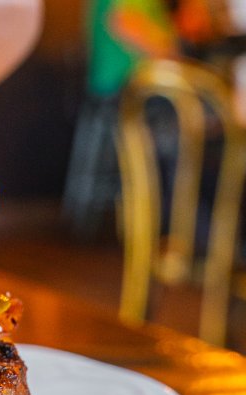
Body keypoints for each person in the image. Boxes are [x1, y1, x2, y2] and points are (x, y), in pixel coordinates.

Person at [63, 0, 179, 240]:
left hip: (109, 89)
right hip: (126, 88)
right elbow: (124, 22)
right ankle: (179, 228)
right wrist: (173, 56)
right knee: (192, 123)